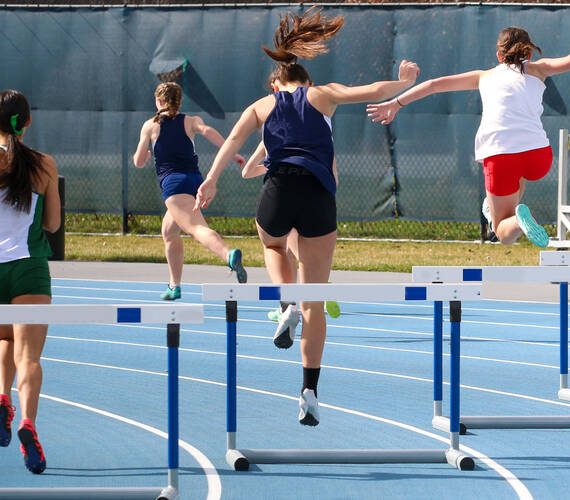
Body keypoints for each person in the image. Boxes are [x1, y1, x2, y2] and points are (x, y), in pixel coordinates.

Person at [195, 7, 419, 426]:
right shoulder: (324, 95)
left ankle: (286, 304)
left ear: (276, 84)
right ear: (308, 82)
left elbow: (232, 143)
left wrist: (210, 181)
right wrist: (404, 83)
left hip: (279, 189)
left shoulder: (260, 106)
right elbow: (370, 90)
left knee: (272, 242)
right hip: (319, 196)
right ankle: (309, 392)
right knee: (315, 299)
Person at [367, 18, 570, 247]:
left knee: (502, 232)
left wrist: (395, 103)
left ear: (498, 56)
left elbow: (433, 85)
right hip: (539, 155)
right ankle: (514, 211)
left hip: (500, 154)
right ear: (529, 53)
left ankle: (517, 221)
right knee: (519, 179)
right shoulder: (539, 69)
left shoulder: (483, 76)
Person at [133, 82, 249, 300]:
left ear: (158, 101)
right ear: (179, 101)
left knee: (196, 228)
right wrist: (232, 153)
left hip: (174, 184)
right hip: (194, 181)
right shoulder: (191, 120)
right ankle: (174, 286)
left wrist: (146, 155)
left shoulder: (150, 126)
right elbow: (208, 131)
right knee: (169, 232)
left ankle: (228, 254)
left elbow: (138, 161)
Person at [0, 89, 60, 474]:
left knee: (4, 338)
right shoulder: (44, 165)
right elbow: (52, 224)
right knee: (30, 357)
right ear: (28, 122)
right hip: (29, 269)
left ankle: (2, 398)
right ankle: (27, 422)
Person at [241, 142, 341, 321]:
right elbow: (334, 177)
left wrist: (271, 165)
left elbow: (246, 172)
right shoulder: (321, 134)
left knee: (277, 249)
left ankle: (287, 305)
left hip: (281, 191)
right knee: (300, 255)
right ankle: (320, 283)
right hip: (316, 194)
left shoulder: (273, 135)